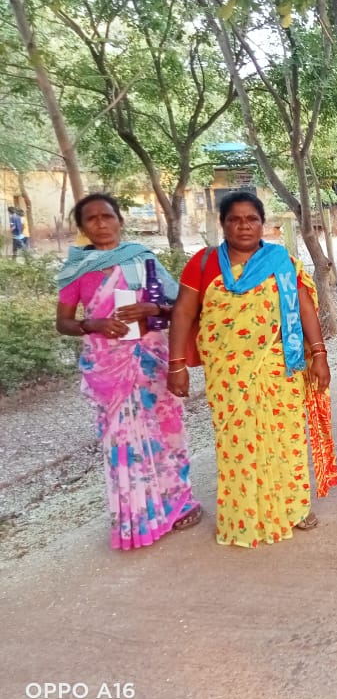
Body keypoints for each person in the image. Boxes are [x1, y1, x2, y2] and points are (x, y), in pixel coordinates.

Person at [167, 191, 335, 548]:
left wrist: (319, 353)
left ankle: (294, 506)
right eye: (234, 219)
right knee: (236, 442)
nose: (243, 226)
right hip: (228, 374)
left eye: (251, 219)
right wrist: (176, 364)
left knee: (286, 439)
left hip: (279, 368)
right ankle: (243, 515)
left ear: (262, 224)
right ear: (222, 224)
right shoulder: (203, 263)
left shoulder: (281, 261)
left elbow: (304, 307)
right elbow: (182, 312)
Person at [55, 193, 201, 550]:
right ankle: (136, 516)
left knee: (166, 430)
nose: (101, 223)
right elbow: (63, 322)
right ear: (82, 227)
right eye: (92, 219)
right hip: (109, 368)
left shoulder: (143, 258)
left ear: (119, 220)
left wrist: (152, 308)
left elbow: (180, 308)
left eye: (107, 216)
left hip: (150, 359)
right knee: (122, 441)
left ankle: (178, 503)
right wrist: (92, 324)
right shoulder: (77, 270)